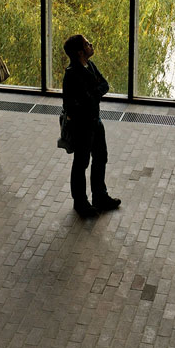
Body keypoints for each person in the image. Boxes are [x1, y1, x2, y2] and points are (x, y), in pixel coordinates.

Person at [62, 34, 121, 217]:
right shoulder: (72, 74)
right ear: (80, 52)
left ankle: (99, 196)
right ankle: (80, 202)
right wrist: (92, 96)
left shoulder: (90, 65)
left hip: (95, 121)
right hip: (82, 126)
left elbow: (104, 85)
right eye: (88, 43)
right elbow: (71, 104)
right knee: (81, 163)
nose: (91, 44)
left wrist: (91, 95)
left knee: (100, 157)